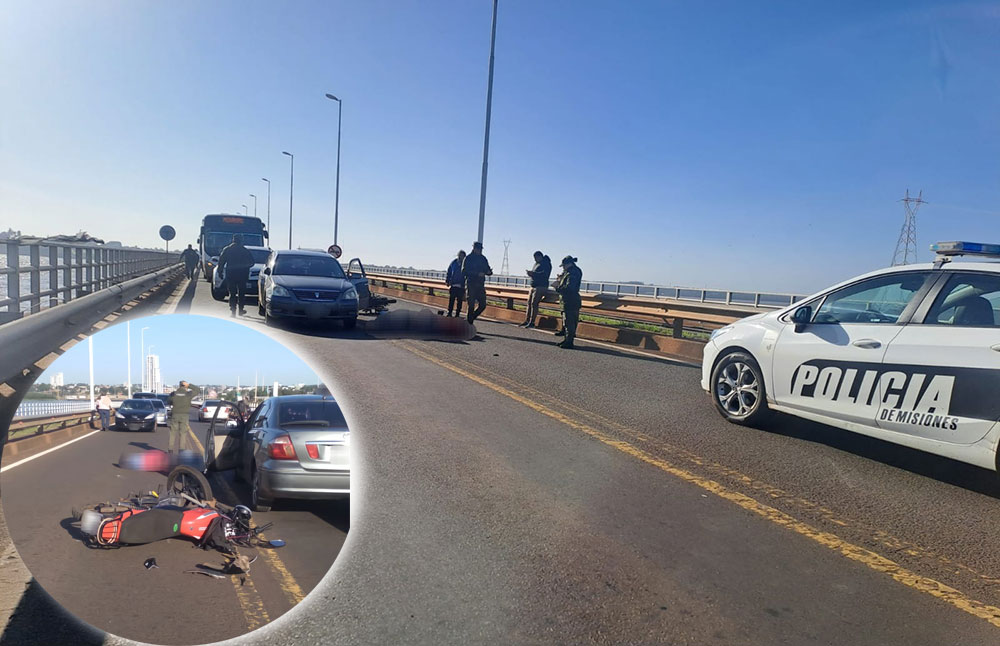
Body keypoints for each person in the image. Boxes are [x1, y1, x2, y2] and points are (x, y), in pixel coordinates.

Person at [218, 234, 255, 317]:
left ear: (233, 240)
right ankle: (241, 310)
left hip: (231, 274)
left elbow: (221, 262)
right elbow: (252, 262)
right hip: (242, 275)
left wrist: (220, 272)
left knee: (232, 293)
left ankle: (233, 311)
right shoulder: (244, 250)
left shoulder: (227, 249)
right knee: (241, 293)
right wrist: (245, 266)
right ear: (241, 240)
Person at [554, 256, 583, 349]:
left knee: (569, 322)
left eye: (563, 265)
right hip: (571, 300)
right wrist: (561, 279)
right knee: (569, 322)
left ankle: (569, 342)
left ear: (569, 264)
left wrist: (557, 287)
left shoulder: (572, 273)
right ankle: (567, 340)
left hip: (570, 300)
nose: (563, 267)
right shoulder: (572, 271)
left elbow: (569, 288)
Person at [167, 380, 201, 455]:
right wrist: (189, 385)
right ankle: (181, 450)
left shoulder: (173, 394)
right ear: (185, 386)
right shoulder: (188, 394)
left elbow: (169, 402)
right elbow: (198, 390)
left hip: (175, 415)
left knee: (172, 433)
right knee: (183, 433)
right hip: (184, 416)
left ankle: (170, 450)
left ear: (179, 386)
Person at [462, 241, 493, 324]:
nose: (480, 251)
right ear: (474, 249)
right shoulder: (468, 258)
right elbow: (464, 271)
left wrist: (489, 272)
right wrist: (477, 273)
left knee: (483, 305)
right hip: (471, 283)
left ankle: (471, 318)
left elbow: (487, 269)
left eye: (481, 249)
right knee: (471, 304)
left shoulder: (483, 258)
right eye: (478, 249)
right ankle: (469, 323)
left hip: (480, 284)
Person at [519, 251, 552, 329]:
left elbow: (544, 275)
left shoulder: (546, 264)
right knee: (529, 303)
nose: (535, 259)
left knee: (534, 303)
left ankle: (532, 322)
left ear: (540, 256)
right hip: (533, 286)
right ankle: (527, 320)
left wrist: (533, 274)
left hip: (540, 286)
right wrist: (531, 274)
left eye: (536, 258)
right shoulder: (536, 264)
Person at [445, 250, 466, 317]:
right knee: (452, 299)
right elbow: (449, 272)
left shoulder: (466, 264)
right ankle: (449, 312)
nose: (461, 257)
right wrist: (447, 280)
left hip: (461, 285)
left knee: (459, 301)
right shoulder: (454, 263)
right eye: (460, 255)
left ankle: (457, 313)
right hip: (453, 284)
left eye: (462, 256)